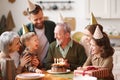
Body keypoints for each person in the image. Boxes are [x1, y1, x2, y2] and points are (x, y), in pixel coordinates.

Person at [18, 0, 56, 66]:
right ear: (29, 18)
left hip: (47, 65)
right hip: (30, 66)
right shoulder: (24, 30)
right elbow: (17, 47)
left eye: (41, 18)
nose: (39, 21)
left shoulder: (51, 26)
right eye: (35, 19)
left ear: (43, 14)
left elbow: (55, 45)